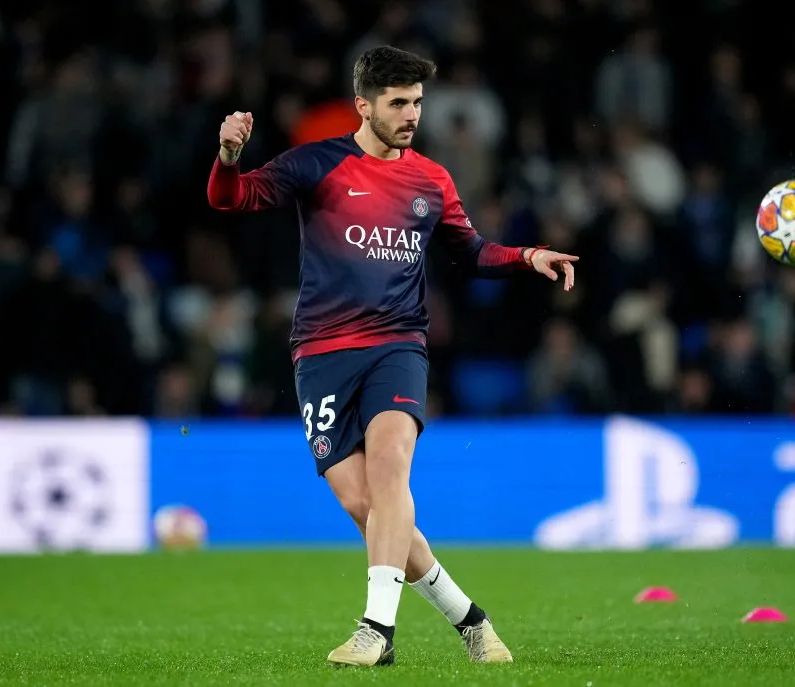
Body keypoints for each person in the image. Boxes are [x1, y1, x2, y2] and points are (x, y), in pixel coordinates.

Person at [206, 45, 579, 668]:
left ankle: (376, 631)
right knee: (365, 505)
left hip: (398, 344)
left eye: (418, 103)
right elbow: (229, 200)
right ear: (364, 105)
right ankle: (472, 622)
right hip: (321, 355)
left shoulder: (430, 180)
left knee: (390, 467)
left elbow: (471, 251)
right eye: (399, 103)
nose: (412, 115)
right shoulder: (317, 164)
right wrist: (227, 155)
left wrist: (526, 257)